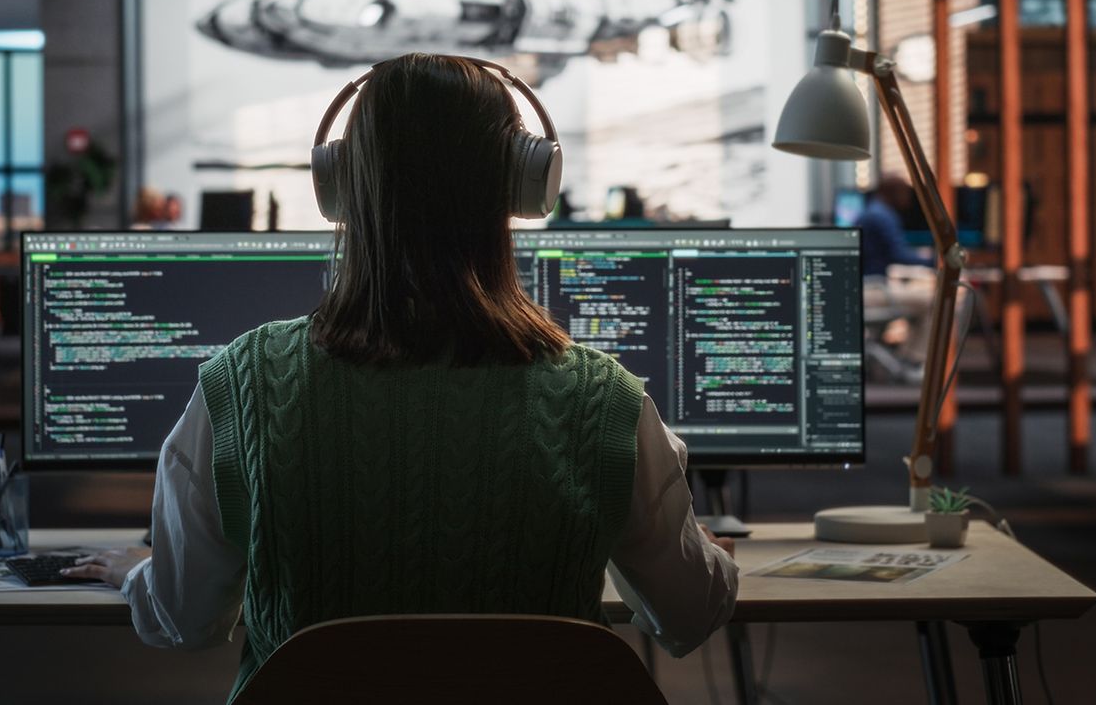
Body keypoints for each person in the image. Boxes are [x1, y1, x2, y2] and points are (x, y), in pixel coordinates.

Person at [63, 54, 739, 700]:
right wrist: (695, 546)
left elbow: (185, 620)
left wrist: (137, 575)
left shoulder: (242, 384)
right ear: (524, 183)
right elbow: (690, 615)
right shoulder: (605, 400)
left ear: (337, 183)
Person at [858, 176, 935, 368]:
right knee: (934, 301)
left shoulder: (872, 211)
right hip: (870, 289)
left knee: (923, 298)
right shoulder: (881, 216)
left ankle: (908, 357)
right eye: (905, 193)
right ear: (891, 192)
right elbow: (899, 255)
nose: (908, 198)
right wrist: (937, 260)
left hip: (867, 286)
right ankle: (914, 360)